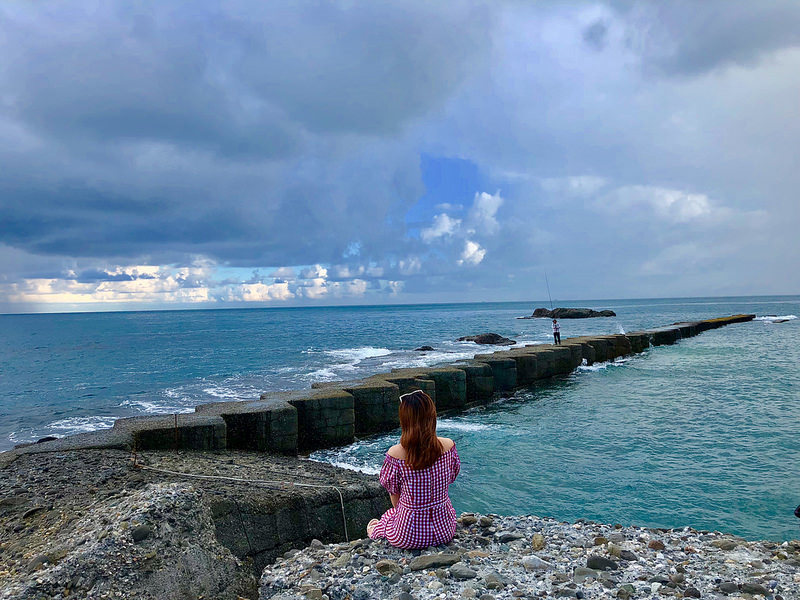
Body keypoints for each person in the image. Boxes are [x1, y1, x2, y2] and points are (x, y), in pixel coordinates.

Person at [366, 390, 460, 548]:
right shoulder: (448, 446)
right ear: (432, 416)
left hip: (408, 536)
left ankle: (373, 531)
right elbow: (451, 477)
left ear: (405, 420)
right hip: (444, 530)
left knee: (389, 517)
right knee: (394, 515)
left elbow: (394, 493)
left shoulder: (395, 454)